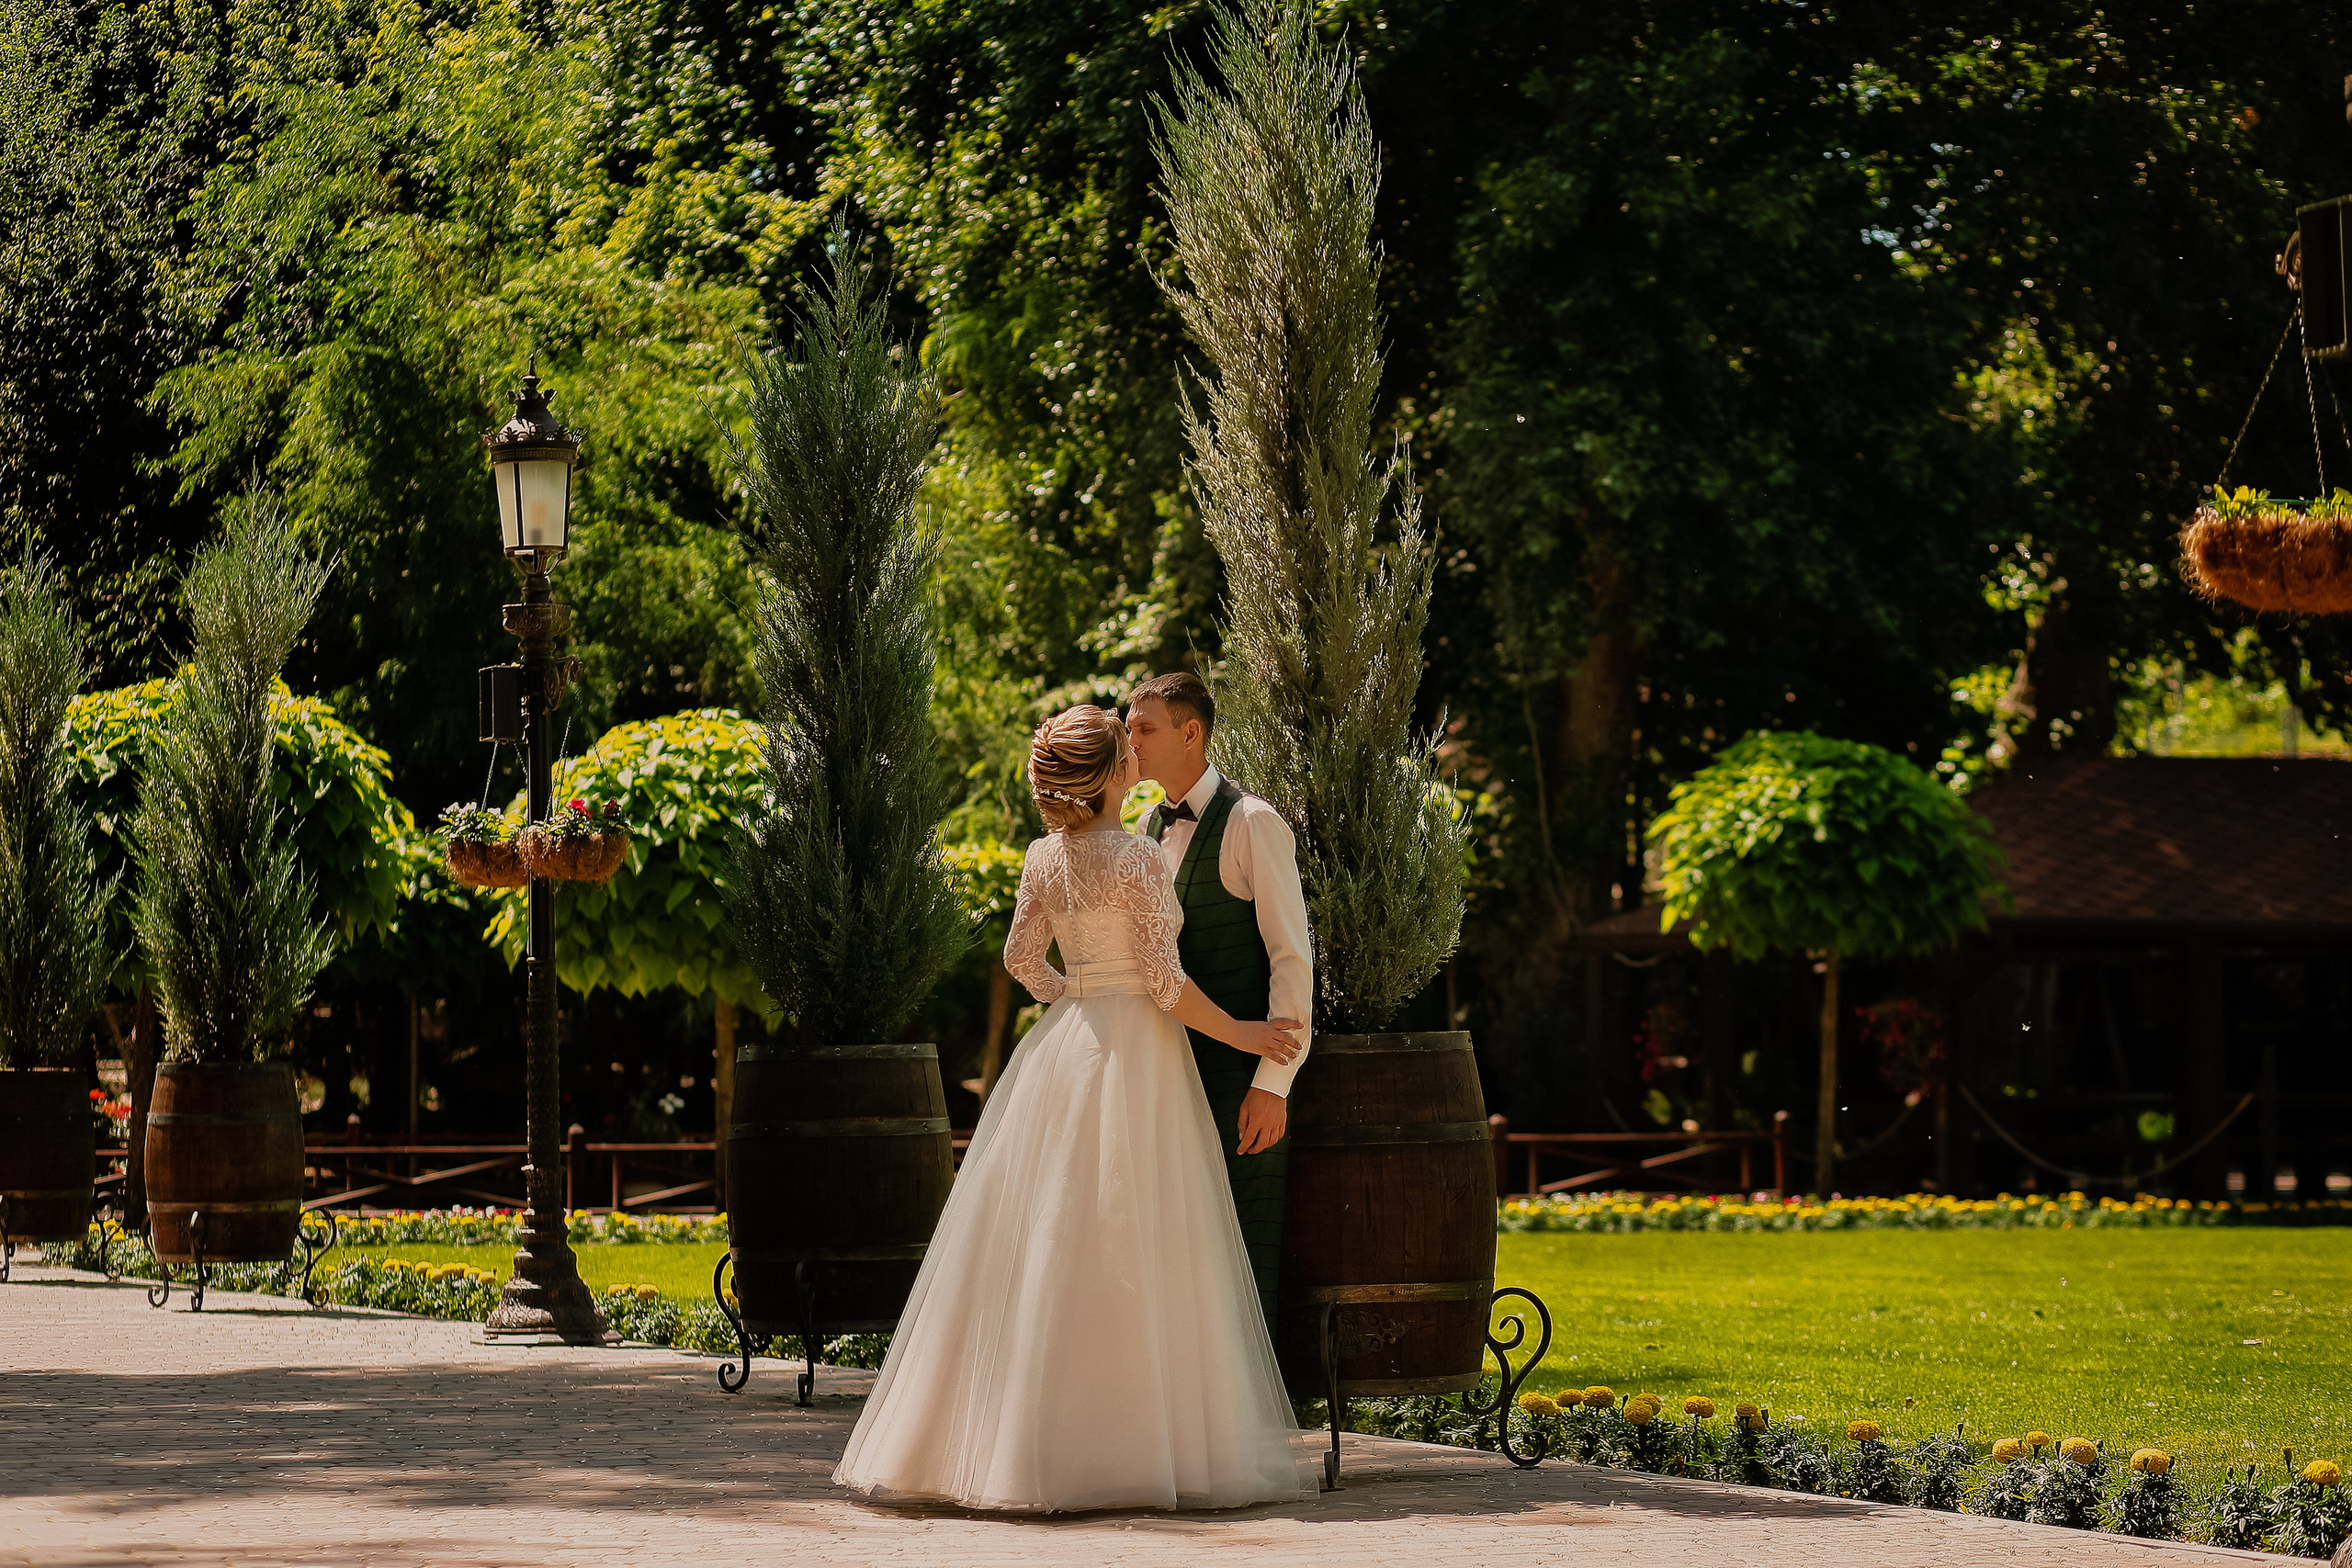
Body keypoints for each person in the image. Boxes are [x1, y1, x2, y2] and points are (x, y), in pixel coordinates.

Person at [833, 705, 1315, 1513]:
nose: (1136, 752)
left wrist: (1077, 1003)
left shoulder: (1040, 859)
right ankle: (1136, 1443)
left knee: (1048, 1239)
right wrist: (1243, 1031)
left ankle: (1017, 1444)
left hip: (1066, 1045)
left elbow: (1023, 957)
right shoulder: (1137, 860)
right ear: (1111, 776)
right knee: (1142, 1238)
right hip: (1139, 1055)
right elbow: (1165, 986)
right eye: (1125, 746)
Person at [1124, 671, 1311, 1333]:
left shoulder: (1253, 822)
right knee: (1172, 1259)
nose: (1131, 740)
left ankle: (1248, 1430)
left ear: (1190, 731)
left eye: (1144, 727)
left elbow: (1291, 959)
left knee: (1240, 1254)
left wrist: (1273, 1083)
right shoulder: (1143, 826)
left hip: (1238, 1083)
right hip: (1164, 1078)